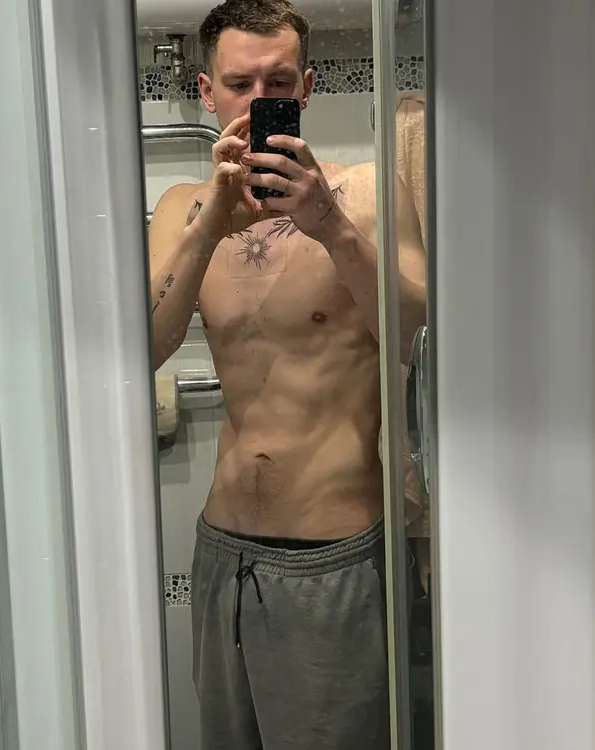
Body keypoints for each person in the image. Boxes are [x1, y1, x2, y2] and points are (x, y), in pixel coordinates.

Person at [148, 0, 426, 747]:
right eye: (239, 83)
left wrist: (330, 227)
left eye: (277, 82)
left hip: (332, 556)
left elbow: (418, 341)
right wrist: (208, 228)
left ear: (306, 87)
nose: (258, 99)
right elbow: (140, 350)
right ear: (206, 92)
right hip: (222, 551)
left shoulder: (368, 194)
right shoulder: (181, 210)